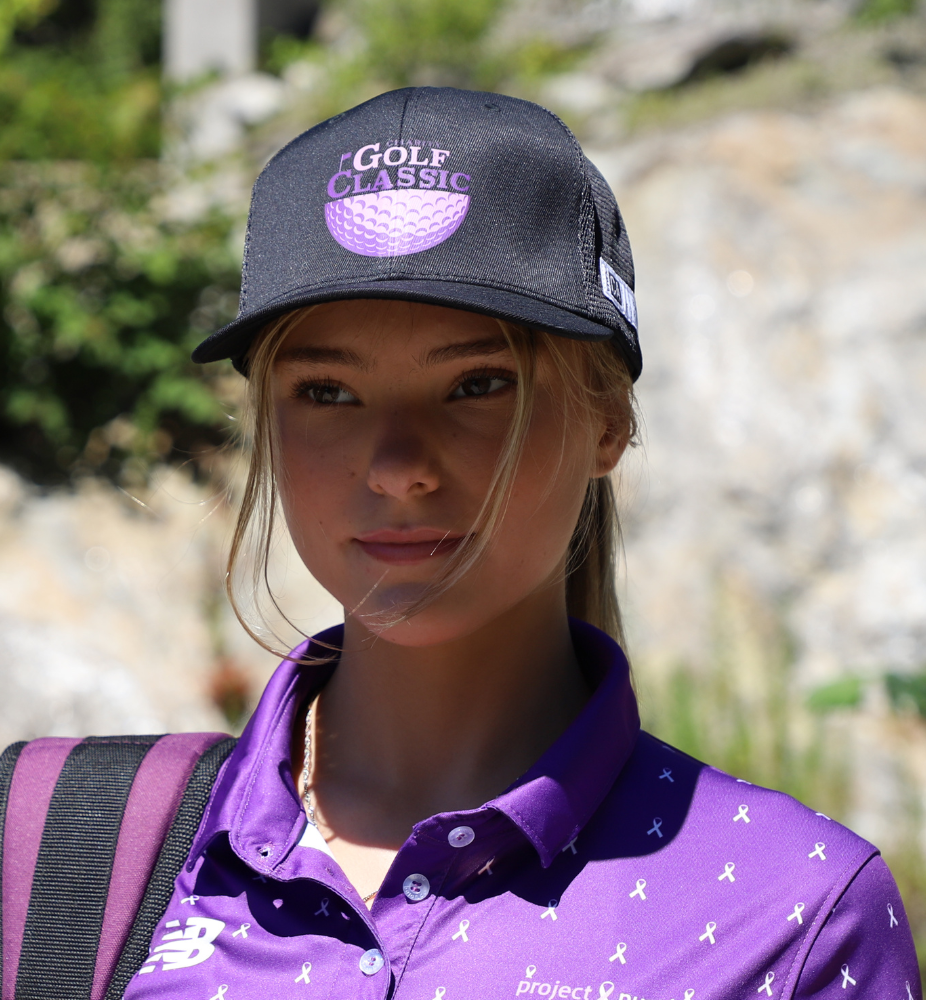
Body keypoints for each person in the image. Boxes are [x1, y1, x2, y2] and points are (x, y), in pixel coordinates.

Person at [125, 88, 920, 1000]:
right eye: (328, 392)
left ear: (608, 419)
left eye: (478, 384)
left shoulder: (797, 915)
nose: (397, 468)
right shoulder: (86, 839)